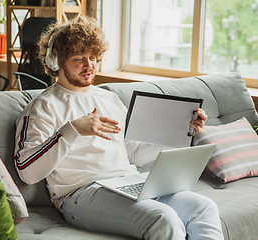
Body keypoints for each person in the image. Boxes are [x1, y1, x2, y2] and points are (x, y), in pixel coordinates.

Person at [14, 16, 223, 240]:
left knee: (204, 207)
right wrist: (72, 129)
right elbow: (27, 172)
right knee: (164, 219)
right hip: (81, 193)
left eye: (92, 57)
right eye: (78, 58)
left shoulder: (109, 99)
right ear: (56, 61)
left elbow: (133, 153)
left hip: (129, 182)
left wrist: (183, 130)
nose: (89, 65)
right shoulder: (43, 107)